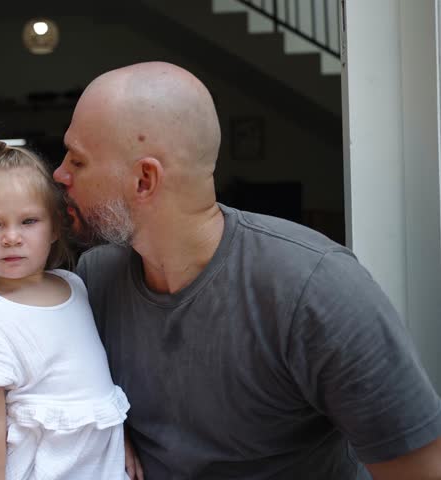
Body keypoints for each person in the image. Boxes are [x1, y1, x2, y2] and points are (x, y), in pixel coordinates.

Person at [53, 62, 441, 479]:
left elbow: (420, 471)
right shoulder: (96, 278)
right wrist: (111, 431)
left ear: (144, 180)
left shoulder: (314, 288)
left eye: (78, 160)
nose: (59, 174)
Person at [0, 125, 131, 479]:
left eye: (29, 221)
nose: (11, 237)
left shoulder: (73, 285)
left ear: (55, 227)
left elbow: (95, 389)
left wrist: (119, 438)